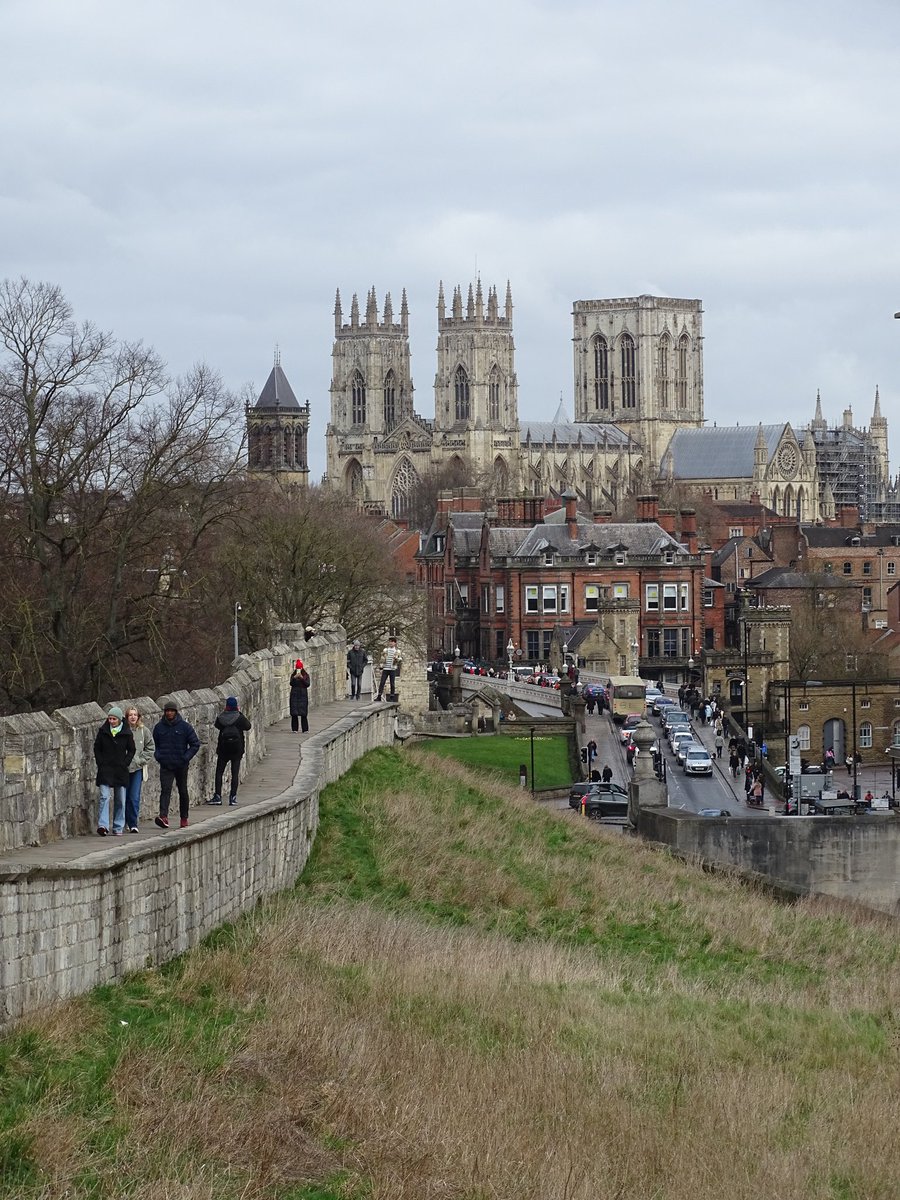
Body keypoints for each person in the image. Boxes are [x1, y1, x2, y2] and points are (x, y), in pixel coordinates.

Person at [153, 699, 200, 829]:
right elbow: (155, 744)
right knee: (165, 790)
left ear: (175, 712)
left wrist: (185, 758)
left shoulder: (185, 727)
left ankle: (184, 817)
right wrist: (159, 756)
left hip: (181, 764)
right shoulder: (159, 727)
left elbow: (195, 744)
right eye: (167, 711)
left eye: (171, 711)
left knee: (183, 791)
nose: (169, 713)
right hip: (166, 764)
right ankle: (163, 816)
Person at [94, 706, 136, 836]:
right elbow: (97, 748)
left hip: (120, 770)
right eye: (110, 719)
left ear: (119, 719)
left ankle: (118, 826)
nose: (111, 721)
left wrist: (125, 763)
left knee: (120, 800)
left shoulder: (126, 733)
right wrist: (100, 762)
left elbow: (131, 750)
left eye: (114, 719)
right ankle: (103, 825)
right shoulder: (103, 731)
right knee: (104, 797)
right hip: (105, 769)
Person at [208, 696, 252, 806]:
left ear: (227, 706)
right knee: (235, 773)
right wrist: (240, 715)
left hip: (223, 749)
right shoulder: (239, 718)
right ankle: (233, 797)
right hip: (237, 750)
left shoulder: (221, 718)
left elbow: (217, 725)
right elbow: (248, 726)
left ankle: (217, 796)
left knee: (219, 772)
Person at [124, 705, 155, 832]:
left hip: (137, 768)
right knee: (123, 797)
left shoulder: (144, 731)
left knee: (134, 797)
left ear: (138, 717)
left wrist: (141, 760)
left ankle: (133, 823)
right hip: (124, 768)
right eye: (130, 715)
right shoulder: (122, 730)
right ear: (126, 717)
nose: (133, 717)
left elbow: (150, 747)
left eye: (135, 715)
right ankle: (122, 822)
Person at [375, 636, 403, 701]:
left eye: (392, 642)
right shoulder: (385, 650)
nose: (390, 643)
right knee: (382, 682)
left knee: (392, 683)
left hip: (392, 669)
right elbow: (382, 659)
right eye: (390, 642)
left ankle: (392, 697)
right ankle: (379, 696)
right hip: (385, 668)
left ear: (395, 643)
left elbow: (400, 659)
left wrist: (397, 659)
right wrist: (381, 665)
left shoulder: (397, 651)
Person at [290, 659, 311, 732]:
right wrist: (295, 677)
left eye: (299, 668)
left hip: (303, 695)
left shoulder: (305, 675)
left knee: (303, 713)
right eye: (297, 668)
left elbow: (307, 684)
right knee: (294, 713)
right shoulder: (293, 675)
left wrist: (302, 678)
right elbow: (291, 683)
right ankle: (294, 729)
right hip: (294, 695)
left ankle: (305, 729)